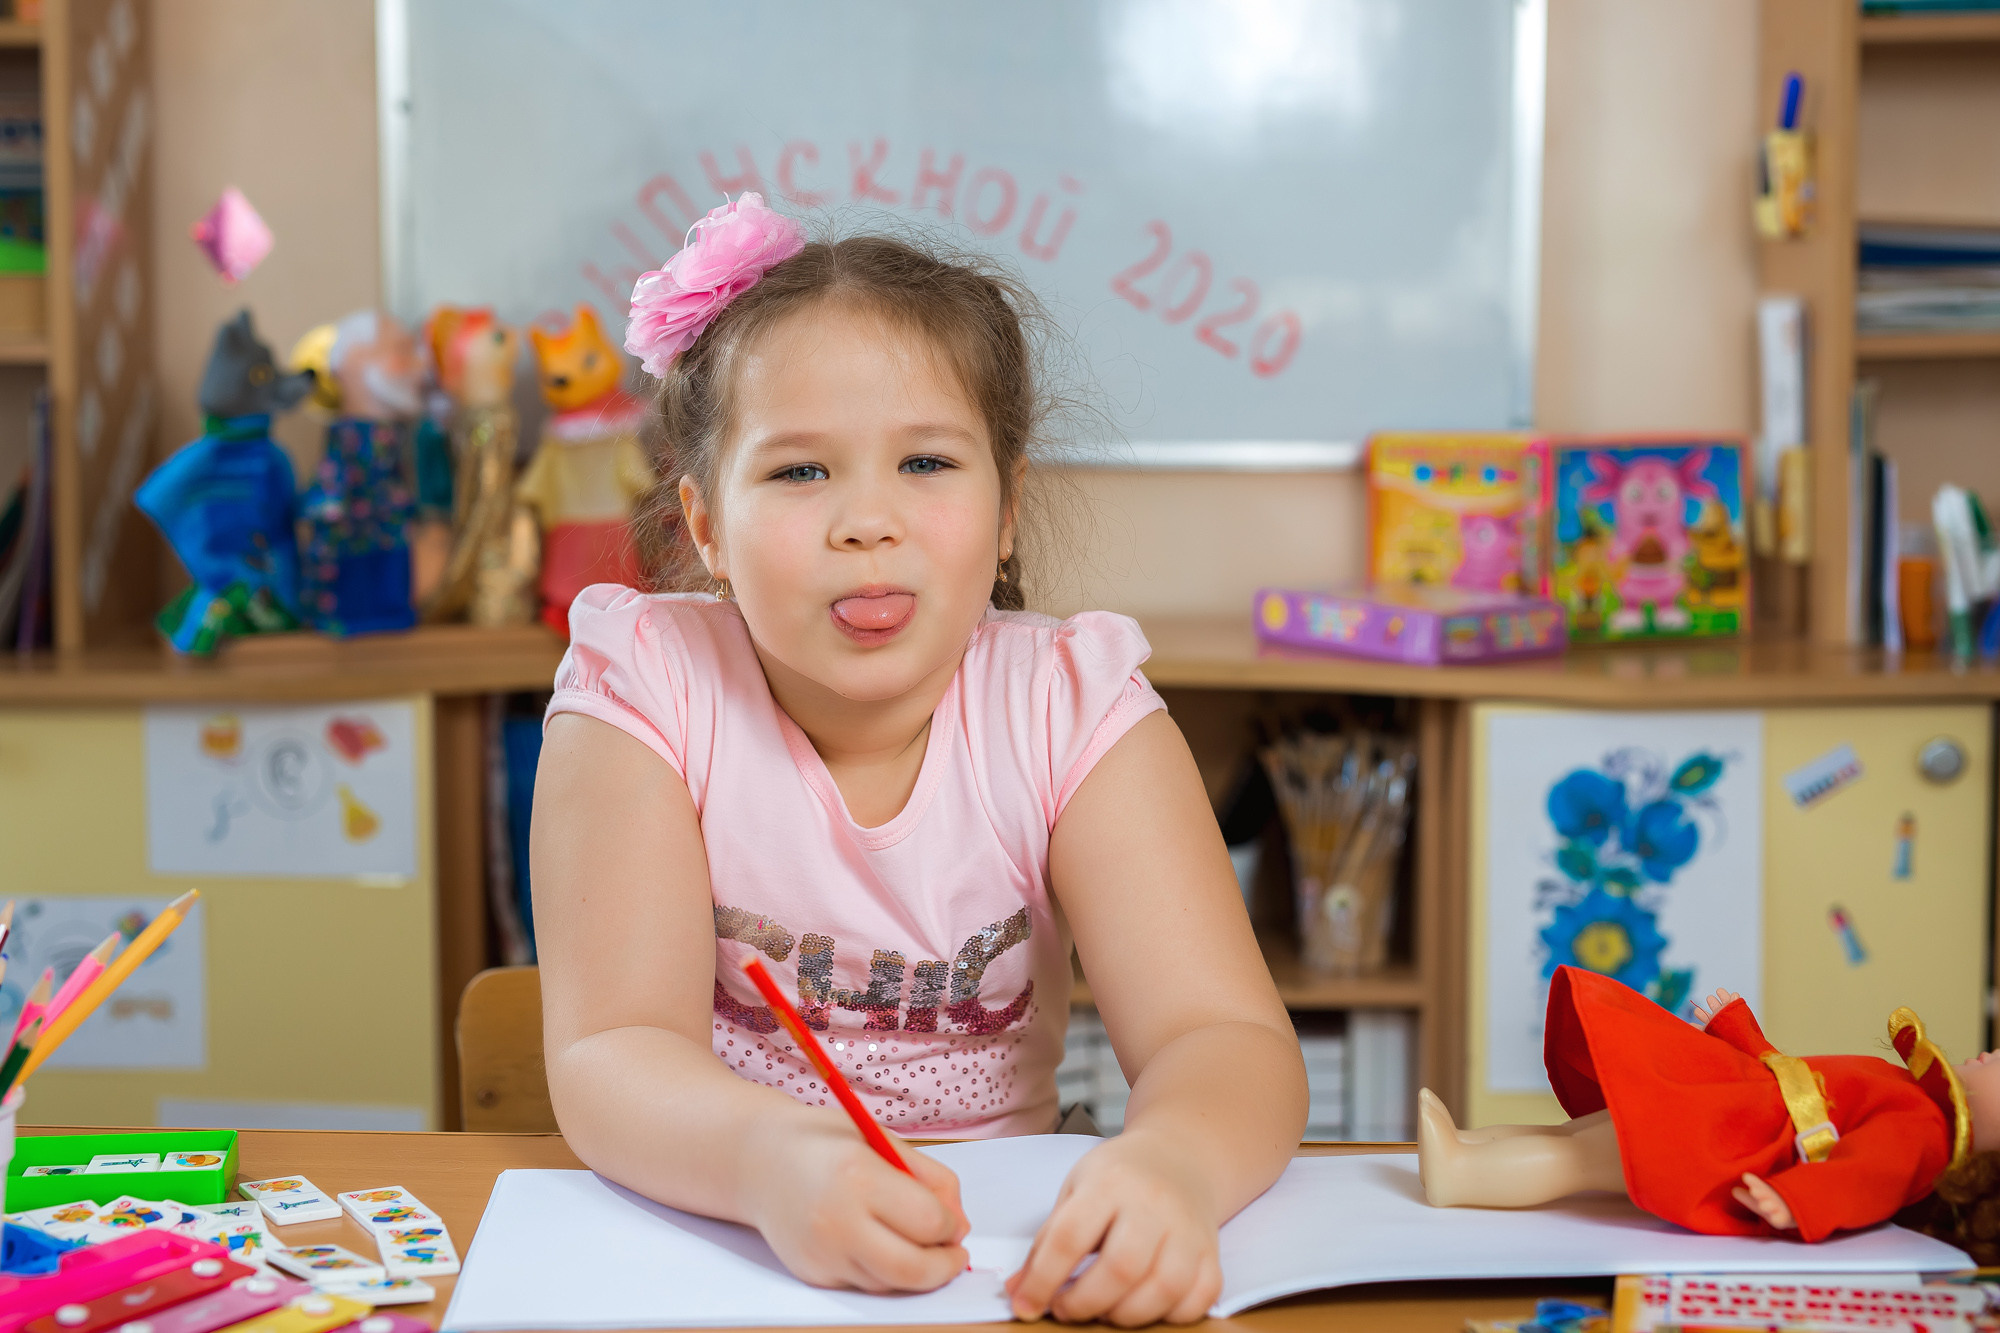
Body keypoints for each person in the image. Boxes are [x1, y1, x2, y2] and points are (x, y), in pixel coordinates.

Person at [531, 195, 1307, 1327]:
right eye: (799, 473)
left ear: (1006, 510)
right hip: (726, 1239)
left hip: (999, 1264)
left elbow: (1223, 1038)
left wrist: (1174, 1167)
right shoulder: (642, 685)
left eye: (927, 462)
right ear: (703, 525)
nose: (866, 521)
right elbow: (611, 1050)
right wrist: (772, 1164)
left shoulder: (1068, 706)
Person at [1418, 963, 2000, 1247]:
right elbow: (1803, 1084)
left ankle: (1463, 1172)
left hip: (1734, 1141)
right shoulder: (1910, 1097)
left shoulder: (1922, 1131)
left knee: (1591, 1156)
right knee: (1594, 1132)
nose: (1989, 1054)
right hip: (1739, 1105)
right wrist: (1740, 1032)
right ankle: (1472, 1143)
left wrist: (1797, 1201)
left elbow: (1866, 1175)